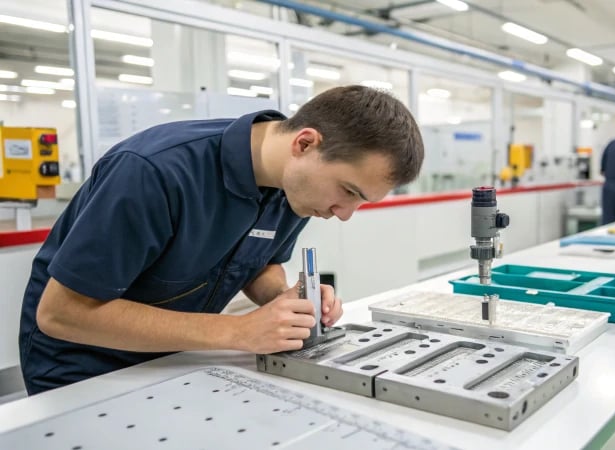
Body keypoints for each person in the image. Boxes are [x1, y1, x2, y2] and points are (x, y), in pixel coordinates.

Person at [19, 85, 425, 395]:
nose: (345, 214)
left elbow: (259, 262)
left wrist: (282, 301)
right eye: (349, 191)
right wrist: (237, 331)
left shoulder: (293, 187)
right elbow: (62, 314)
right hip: (82, 367)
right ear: (305, 144)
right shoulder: (155, 172)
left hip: (176, 354)